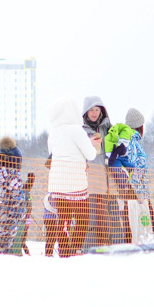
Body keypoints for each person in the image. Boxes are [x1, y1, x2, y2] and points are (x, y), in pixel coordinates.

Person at [47, 97, 99, 257]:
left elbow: (56, 152)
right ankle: (76, 249)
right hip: (76, 183)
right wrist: (93, 145)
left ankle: (64, 251)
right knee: (83, 218)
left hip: (57, 184)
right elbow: (91, 155)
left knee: (63, 219)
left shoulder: (53, 133)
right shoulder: (77, 130)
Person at [107, 108, 154, 243]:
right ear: (140, 127)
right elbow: (135, 168)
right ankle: (145, 244)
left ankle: (131, 244)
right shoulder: (133, 143)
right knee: (142, 221)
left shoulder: (124, 140)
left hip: (127, 189)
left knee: (129, 221)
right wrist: (140, 192)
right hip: (135, 190)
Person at [80, 96, 116, 248]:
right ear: (86, 112)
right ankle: (89, 248)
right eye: (91, 110)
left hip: (109, 180)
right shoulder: (82, 132)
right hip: (90, 181)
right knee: (91, 217)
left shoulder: (108, 128)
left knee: (109, 216)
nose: (94, 113)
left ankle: (109, 246)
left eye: (97, 110)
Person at [0, 137, 27, 255]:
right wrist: (22, 208)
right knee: (6, 235)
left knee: (3, 234)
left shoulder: (1, 173)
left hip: (6, 211)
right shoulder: (12, 175)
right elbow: (17, 194)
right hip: (11, 211)